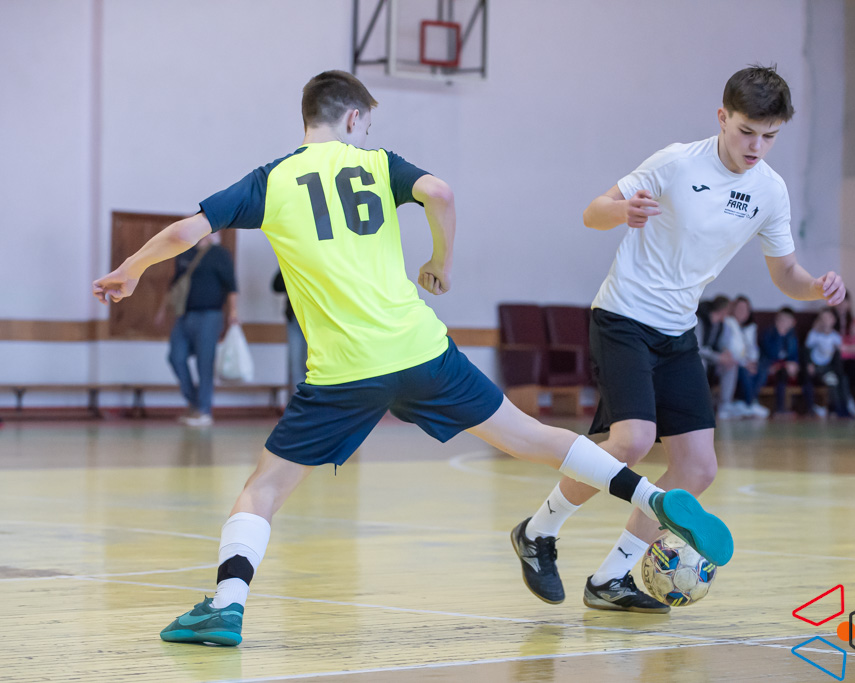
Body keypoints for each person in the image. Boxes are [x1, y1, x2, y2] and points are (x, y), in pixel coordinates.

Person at [91, 70, 733, 646]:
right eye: (367, 124)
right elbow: (441, 193)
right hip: (421, 349)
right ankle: (652, 496)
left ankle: (226, 606)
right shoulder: (377, 164)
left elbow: (186, 230)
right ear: (353, 118)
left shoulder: (272, 179)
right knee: (532, 437)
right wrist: (439, 262)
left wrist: (131, 268)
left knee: (264, 488)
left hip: (343, 371)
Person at [511, 65, 845, 613]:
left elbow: (786, 273)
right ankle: (538, 531)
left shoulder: (769, 191)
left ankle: (611, 579)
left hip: (677, 331)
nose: (756, 146)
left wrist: (816, 288)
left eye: (769, 136)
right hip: (623, 317)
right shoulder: (676, 162)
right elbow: (594, 213)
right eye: (746, 131)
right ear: (722, 117)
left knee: (698, 468)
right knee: (632, 442)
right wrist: (623, 211)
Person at [155, 232, 238, 427]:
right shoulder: (184, 253)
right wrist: (162, 310)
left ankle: (204, 410)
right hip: (184, 314)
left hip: (210, 315)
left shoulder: (219, 254)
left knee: (204, 363)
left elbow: (232, 285)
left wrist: (233, 312)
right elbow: (175, 284)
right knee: (176, 357)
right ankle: (194, 403)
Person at [719, 295, 768, 418]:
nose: (742, 312)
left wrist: (752, 362)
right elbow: (729, 348)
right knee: (743, 370)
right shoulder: (728, 323)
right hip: (733, 361)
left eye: (745, 309)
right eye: (739, 309)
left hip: (745, 361)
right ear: (733, 309)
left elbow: (753, 348)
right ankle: (748, 403)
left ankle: (749, 402)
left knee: (762, 367)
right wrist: (745, 364)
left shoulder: (750, 327)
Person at [803, 309, 853, 418]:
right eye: (823, 318)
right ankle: (835, 409)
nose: (825, 321)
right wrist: (809, 364)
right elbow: (807, 351)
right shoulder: (814, 334)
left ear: (833, 320)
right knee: (832, 380)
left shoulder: (835, 336)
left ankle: (845, 408)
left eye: (828, 318)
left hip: (829, 368)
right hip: (817, 368)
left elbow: (839, 354)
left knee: (843, 379)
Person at [754, 307, 803, 415]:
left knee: (784, 372)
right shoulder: (769, 333)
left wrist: (794, 365)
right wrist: (779, 336)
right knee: (777, 372)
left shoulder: (792, 337)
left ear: (792, 323)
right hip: (768, 366)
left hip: (783, 369)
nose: (783, 323)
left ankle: (784, 409)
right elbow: (772, 354)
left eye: (786, 320)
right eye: (781, 320)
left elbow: (793, 356)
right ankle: (777, 408)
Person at [272, 269, 308, 391]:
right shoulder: (292, 261)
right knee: (295, 366)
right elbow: (277, 285)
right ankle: (299, 401)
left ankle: (313, 400)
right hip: (295, 317)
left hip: (318, 320)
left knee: (311, 364)